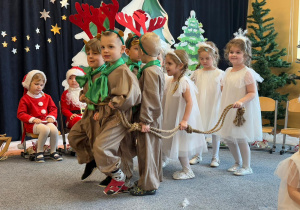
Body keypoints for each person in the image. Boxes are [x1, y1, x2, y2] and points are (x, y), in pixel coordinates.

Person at [218, 29, 263, 176]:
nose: (234, 55)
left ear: (245, 55)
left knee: (241, 138)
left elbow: (252, 93)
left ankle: (246, 166)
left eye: (238, 52)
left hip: (242, 111)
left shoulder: (247, 73)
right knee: (229, 138)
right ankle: (237, 162)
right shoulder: (228, 71)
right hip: (229, 109)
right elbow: (224, 89)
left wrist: (240, 101)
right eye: (231, 52)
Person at [162, 49, 207, 179]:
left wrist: (184, 120)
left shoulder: (183, 82)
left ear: (180, 65)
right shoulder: (170, 80)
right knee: (170, 139)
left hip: (181, 117)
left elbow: (189, 102)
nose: (166, 66)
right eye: (166, 63)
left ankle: (188, 170)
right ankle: (165, 159)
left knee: (180, 143)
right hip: (172, 115)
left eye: (170, 63)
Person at [130, 32, 165, 196]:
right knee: (152, 148)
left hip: (148, 119)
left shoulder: (150, 71)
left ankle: (148, 185)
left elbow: (150, 98)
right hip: (153, 118)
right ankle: (152, 177)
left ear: (142, 52)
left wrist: (145, 120)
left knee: (147, 150)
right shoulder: (155, 68)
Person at [68, 38, 106, 181]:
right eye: (88, 53)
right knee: (74, 136)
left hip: (99, 115)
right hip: (88, 114)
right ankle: (90, 160)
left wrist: (88, 99)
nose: (90, 56)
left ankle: (111, 173)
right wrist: (82, 96)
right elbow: (84, 92)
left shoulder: (105, 75)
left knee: (100, 145)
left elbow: (105, 97)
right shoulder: (89, 73)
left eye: (95, 53)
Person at [190, 41, 224, 167]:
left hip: (214, 105)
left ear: (214, 57)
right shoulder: (197, 73)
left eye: (207, 58)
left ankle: (215, 157)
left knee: (215, 131)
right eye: (201, 58)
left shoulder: (220, 73)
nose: (204, 61)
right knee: (199, 131)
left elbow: (223, 91)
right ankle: (198, 154)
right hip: (200, 105)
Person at [17, 70, 63, 163]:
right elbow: (21, 113)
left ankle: (53, 151)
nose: (39, 87)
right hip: (32, 124)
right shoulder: (25, 98)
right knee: (44, 129)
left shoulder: (47, 97)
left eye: (41, 85)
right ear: (29, 84)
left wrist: (51, 117)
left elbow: (53, 109)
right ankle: (39, 152)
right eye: (36, 84)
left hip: (45, 121)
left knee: (53, 129)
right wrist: (33, 119)